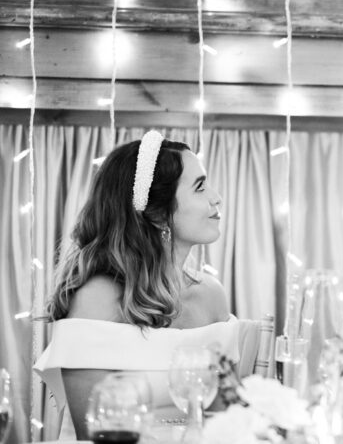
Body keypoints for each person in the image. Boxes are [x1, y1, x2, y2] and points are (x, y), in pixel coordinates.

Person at [34, 131, 259, 439]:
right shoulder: (96, 300)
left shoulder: (212, 295)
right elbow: (95, 433)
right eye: (200, 187)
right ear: (156, 213)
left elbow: (224, 420)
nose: (216, 197)